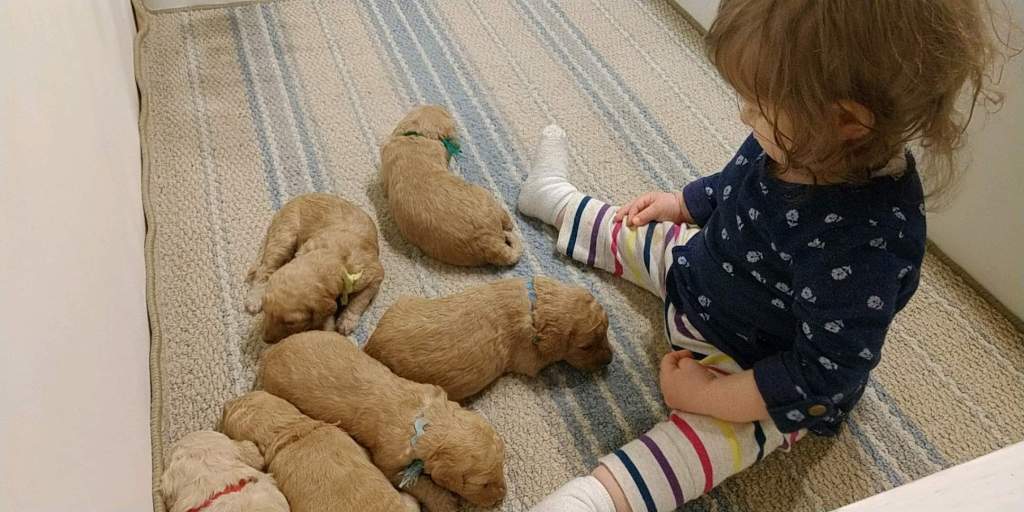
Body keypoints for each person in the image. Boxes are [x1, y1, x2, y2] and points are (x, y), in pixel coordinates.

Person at [517, 1, 1002, 510]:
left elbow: (823, 374)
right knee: (638, 230)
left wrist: (705, 397)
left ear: (846, 120)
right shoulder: (802, 138)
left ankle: (591, 499)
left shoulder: (868, 246)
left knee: (696, 449)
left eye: (757, 103)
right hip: (703, 265)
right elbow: (738, 181)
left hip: (753, 366)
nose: (743, 114)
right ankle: (555, 199)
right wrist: (685, 203)